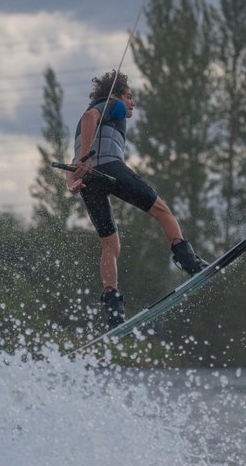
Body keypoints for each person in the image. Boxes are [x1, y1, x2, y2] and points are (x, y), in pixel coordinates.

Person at [65, 70, 209, 330]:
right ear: (116, 94)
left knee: (110, 245)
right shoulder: (113, 105)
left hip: (88, 182)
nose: (132, 103)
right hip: (110, 169)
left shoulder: (82, 126)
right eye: (129, 96)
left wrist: (72, 181)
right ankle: (189, 261)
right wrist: (86, 157)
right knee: (162, 211)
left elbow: (72, 164)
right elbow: (90, 118)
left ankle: (112, 306)